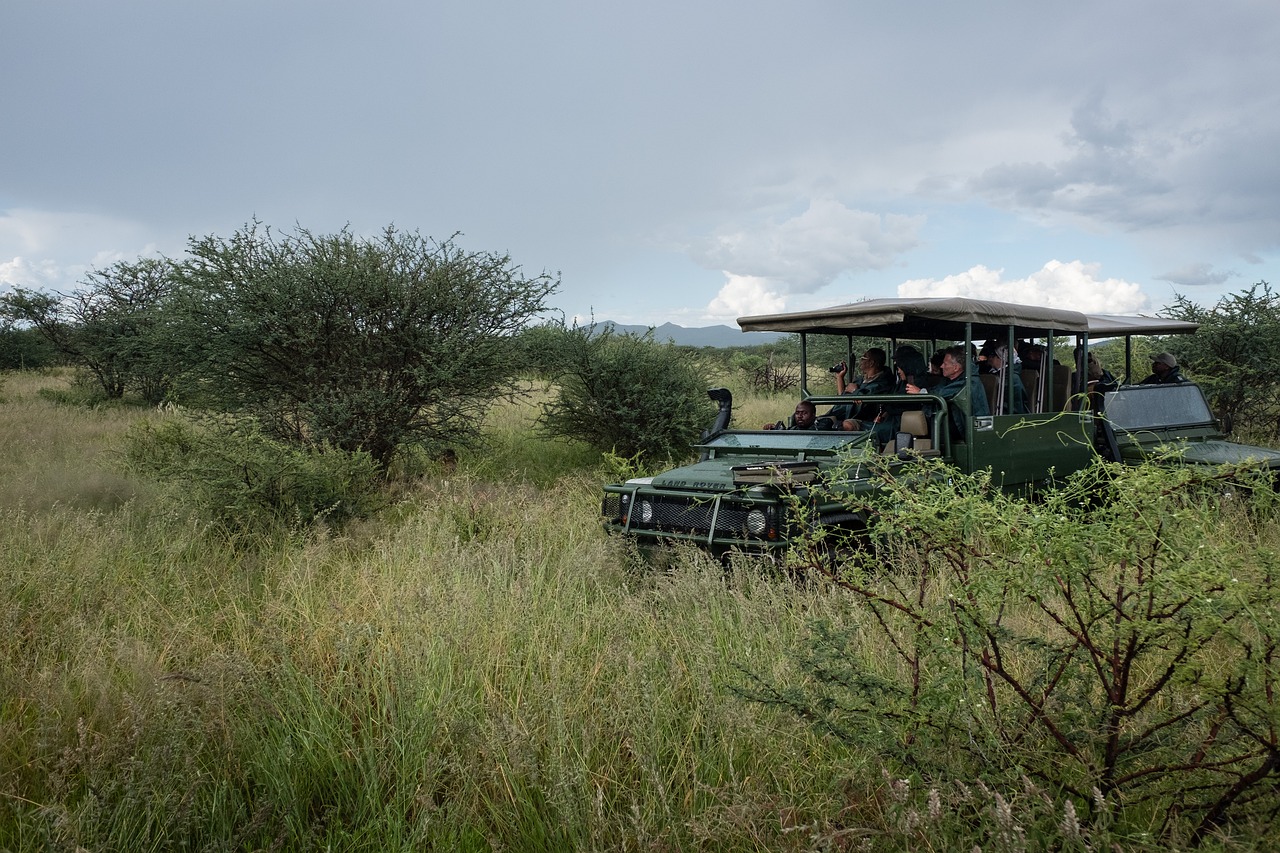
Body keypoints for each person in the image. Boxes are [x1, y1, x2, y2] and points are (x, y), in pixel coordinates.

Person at [905, 345, 990, 440]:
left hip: (971, 427)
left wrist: (920, 392)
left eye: (945, 364)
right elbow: (936, 390)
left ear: (956, 368)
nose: (941, 366)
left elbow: (941, 394)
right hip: (956, 421)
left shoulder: (970, 381)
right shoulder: (948, 380)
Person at [827, 348, 893, 429]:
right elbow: (843, 398)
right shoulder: (860, 380)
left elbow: (866, 401)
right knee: (821, 422)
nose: (861, 361)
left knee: (844, 425)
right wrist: (840, 377)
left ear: (871, 363)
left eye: (863, 358)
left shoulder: (883, 382)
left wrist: (855, 391)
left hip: (862, 419)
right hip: (842, 415)